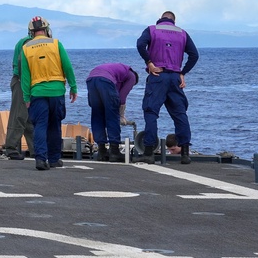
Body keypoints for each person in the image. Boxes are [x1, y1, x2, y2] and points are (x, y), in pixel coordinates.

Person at [136, 11, 199, 165]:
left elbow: (140, 45)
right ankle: (185, 153)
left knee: (151, 112)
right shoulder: (183, 33)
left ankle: (149, 152)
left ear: (161, 19)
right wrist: (183, 72)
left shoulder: (152, 29)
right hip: (175, 77)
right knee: (180, 114)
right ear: (173, 20)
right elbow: (194, 55)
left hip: (158, 76)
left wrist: (149, 62)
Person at [19, 16, 77, 171]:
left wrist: (26, 97)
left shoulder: (26, 48)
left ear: (31, 32)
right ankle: (54, 159)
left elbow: (25, 76)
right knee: (54, 125)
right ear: (46, 29)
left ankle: (40, 159)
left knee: (40, 126)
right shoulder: (56, 44)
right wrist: (73, 87)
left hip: (37, 92)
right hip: (57, 91)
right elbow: (68, 67)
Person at [85, 63, 139, 162]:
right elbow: (122, 98)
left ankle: (101, 151)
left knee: (97, 116)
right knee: (112, 116)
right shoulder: (132, 76)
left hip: (91, 78)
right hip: (105, 80)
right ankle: (114, 152)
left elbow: (91, 103)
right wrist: (121, 115)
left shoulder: (116, 71)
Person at [2, 26, 34, 160]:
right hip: (23, 82)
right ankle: (10, 147)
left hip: (22, 81)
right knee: (19, 115)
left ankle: (35, 149)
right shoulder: (29, 43)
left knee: (28, 118)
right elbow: (23, 62)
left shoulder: (23, 41)